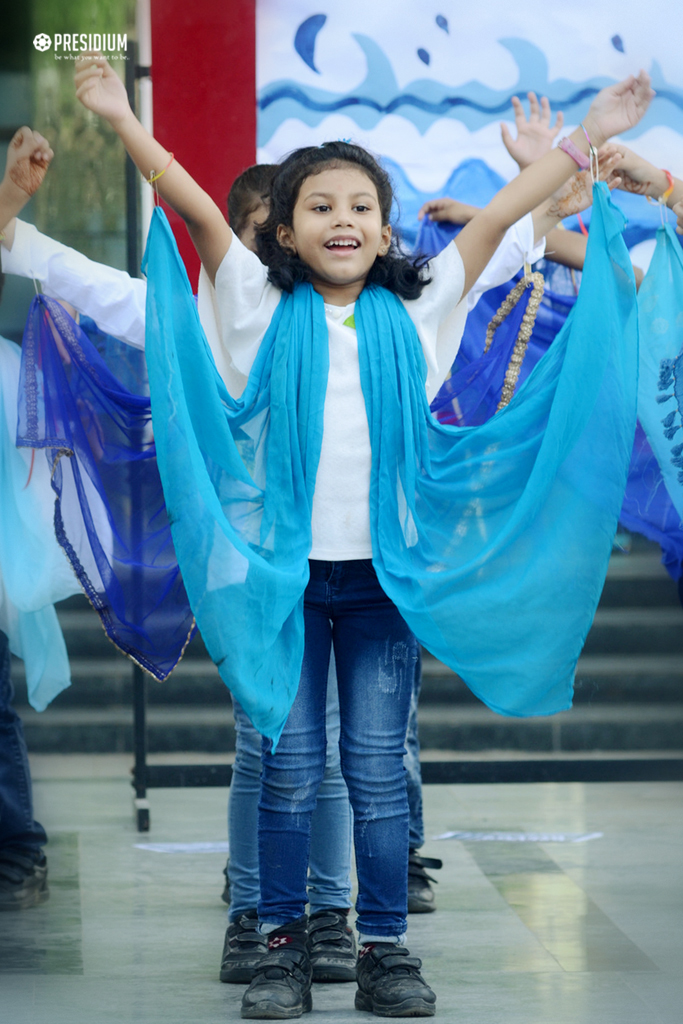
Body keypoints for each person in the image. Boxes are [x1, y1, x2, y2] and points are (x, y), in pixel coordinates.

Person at [73, 52, 652, 1018]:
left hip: (383, 583)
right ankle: (281, 950)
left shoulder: (423, 304)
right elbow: (191, 205)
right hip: (284, 584)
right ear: (288, 235)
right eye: (318, 207)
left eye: (359, 206)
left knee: (377, 773)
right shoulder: (256, 303)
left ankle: (385, 948)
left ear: (385, 227)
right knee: (291, 769)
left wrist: (587, 134)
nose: (341, 220)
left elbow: (508, 209)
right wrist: (113, 112)